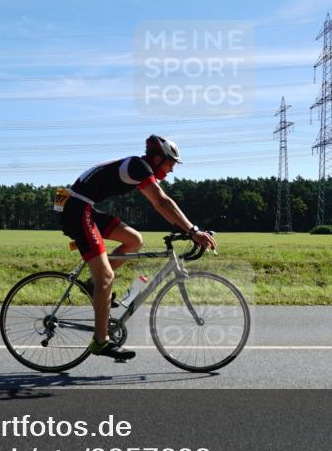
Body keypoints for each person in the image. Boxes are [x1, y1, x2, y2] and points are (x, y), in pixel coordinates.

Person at [56, 135, 217, 360]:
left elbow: (160, 204)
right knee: (106, 278)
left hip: (83, 207)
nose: (172, 170)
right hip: (76, 209)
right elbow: (161, 202)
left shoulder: (138, 166)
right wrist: (193, 231)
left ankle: (95, 285)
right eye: (171, 163)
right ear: (159, 158)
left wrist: (187, 229)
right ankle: (100, 342)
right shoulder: (139, 166)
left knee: (134, 240)